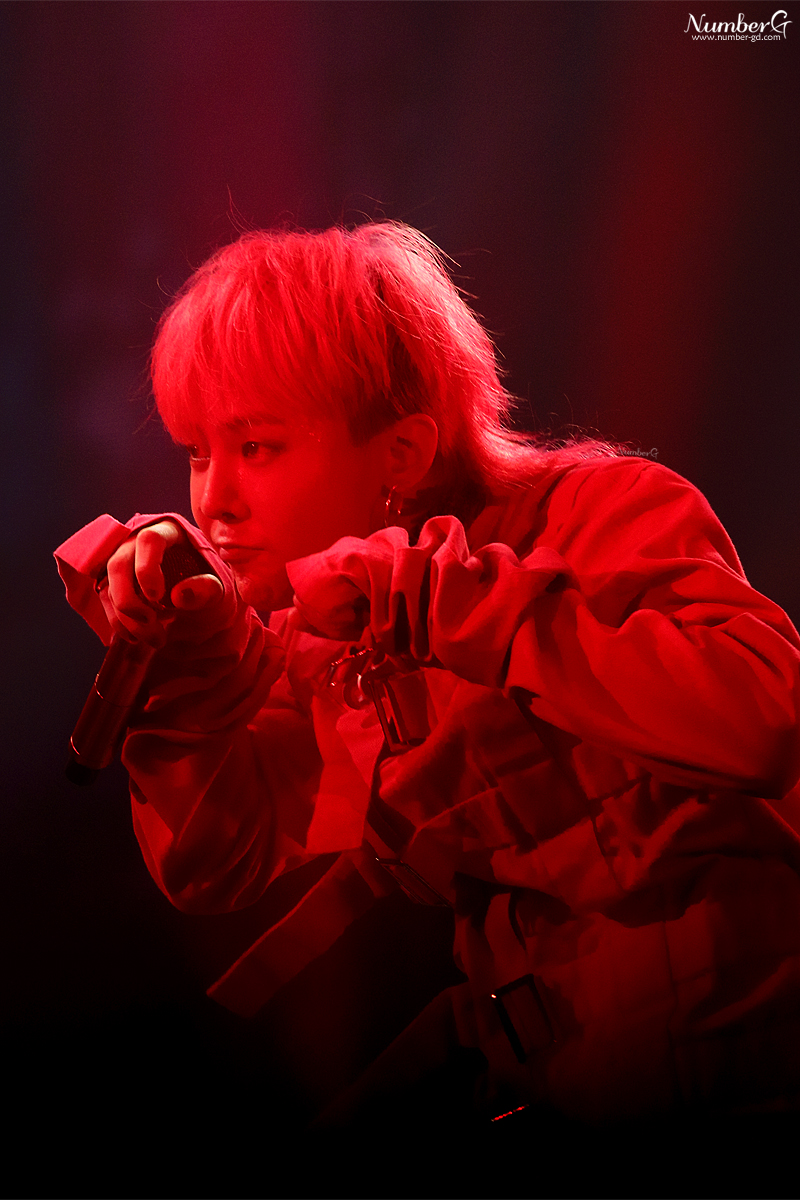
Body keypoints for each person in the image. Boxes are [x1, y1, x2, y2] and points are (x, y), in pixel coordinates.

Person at [55, 222, 800, 1130]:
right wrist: (191, 676)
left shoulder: (601, 515)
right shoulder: (317, 636)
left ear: (401, 454)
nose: (214, 500)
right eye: (196, 451)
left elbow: (767, 719)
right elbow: (217, 865)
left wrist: (463, 607)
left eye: (256, 448)